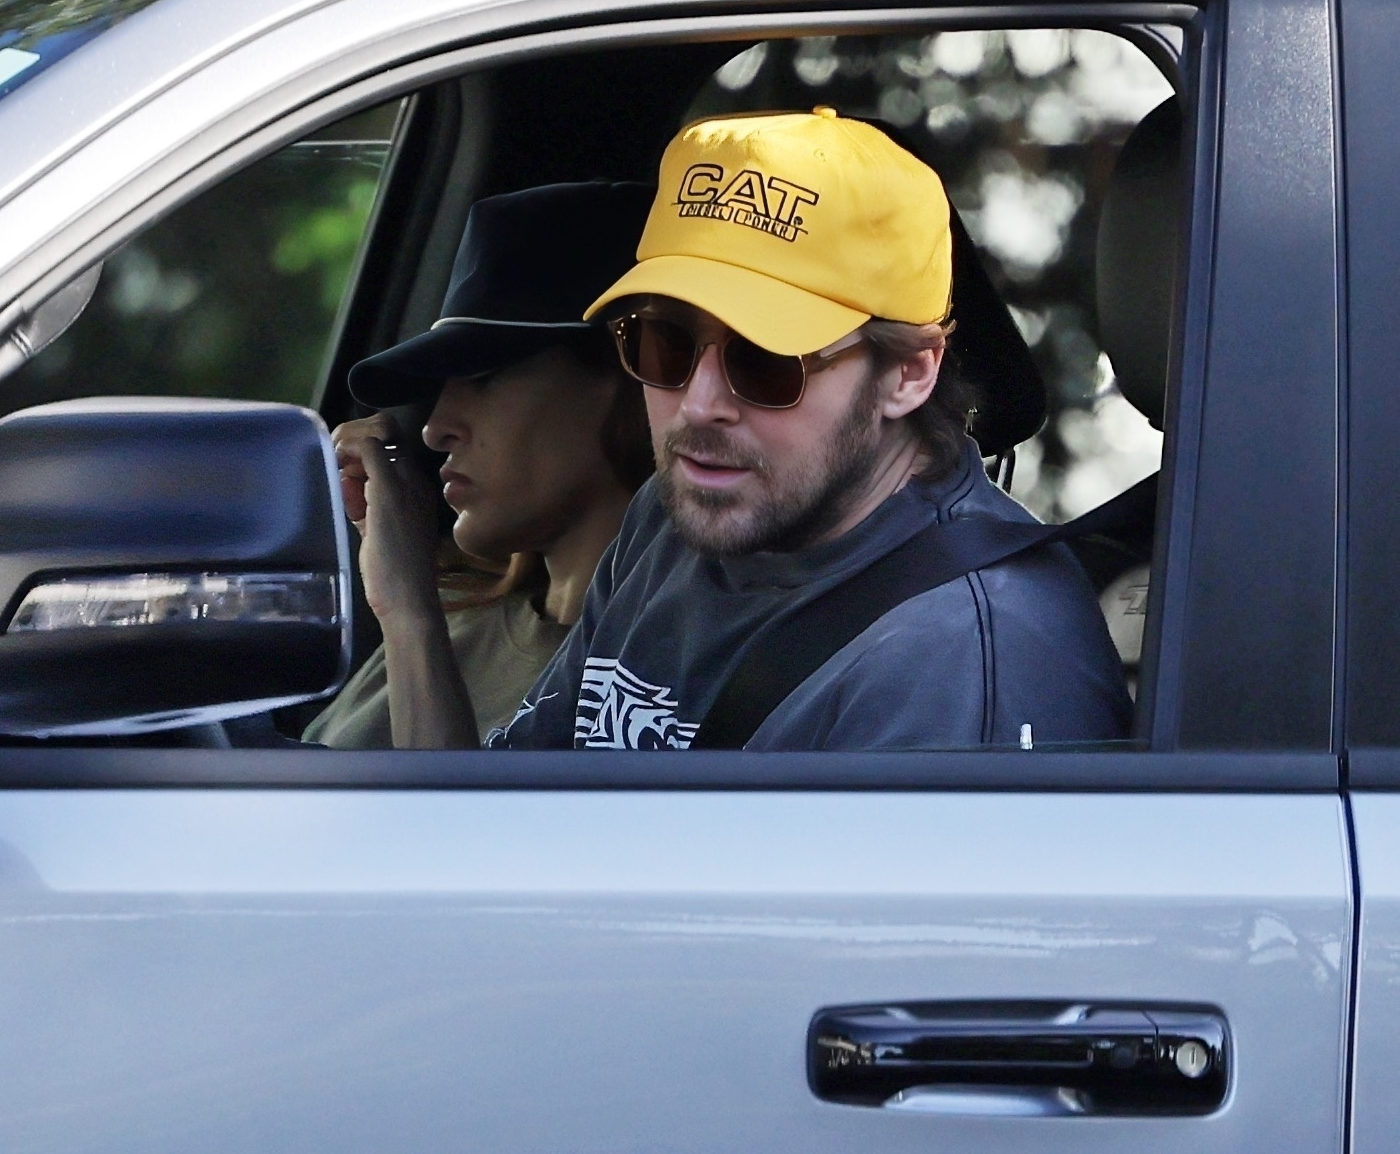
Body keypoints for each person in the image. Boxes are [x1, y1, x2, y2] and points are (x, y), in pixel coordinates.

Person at [486, 108, 1132, 751]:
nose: (698, 404)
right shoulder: (675, 510)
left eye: (767, 362)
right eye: (666, 345)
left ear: (907, 373)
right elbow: (509, 809)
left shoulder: (963, 661)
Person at [303, 181, 656, 750]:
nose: (435, 429)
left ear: (630, 379)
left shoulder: (647, 692)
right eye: (443, 387)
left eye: (484, 379)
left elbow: (451, 838)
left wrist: (407, 609)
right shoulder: (457, 621)